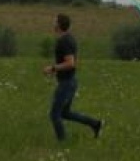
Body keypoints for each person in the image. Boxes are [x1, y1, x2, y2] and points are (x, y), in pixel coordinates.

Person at [43, 12, 102, 142]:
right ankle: (95, 124)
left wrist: (52, 68)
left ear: (59, 24)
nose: (53, 23)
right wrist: (58, 71)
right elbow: (73, 62)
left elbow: (70, 63)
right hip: (69, 81)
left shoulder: (64, 41)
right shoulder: (70, 38)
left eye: (55, 21)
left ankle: (62, 143)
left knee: (55, 115)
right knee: (65, 113)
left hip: (66, 83)